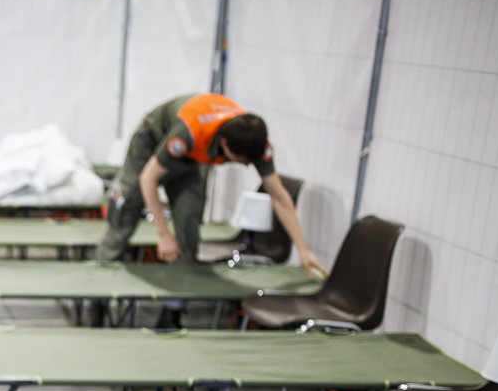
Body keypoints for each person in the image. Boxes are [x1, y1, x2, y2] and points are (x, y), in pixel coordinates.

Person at [96, 93, 326, 326]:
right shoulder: (189, 133)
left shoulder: (255, 143)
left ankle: (171, 314)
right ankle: (98, 299)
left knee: (189, 223)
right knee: (124, 213)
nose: (247, 166)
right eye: (240, 161)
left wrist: (304, 249)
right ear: (224, 144)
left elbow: (280, 197)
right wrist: (163, 234)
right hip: (152, 142)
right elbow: (148, 179)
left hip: (190, 160)